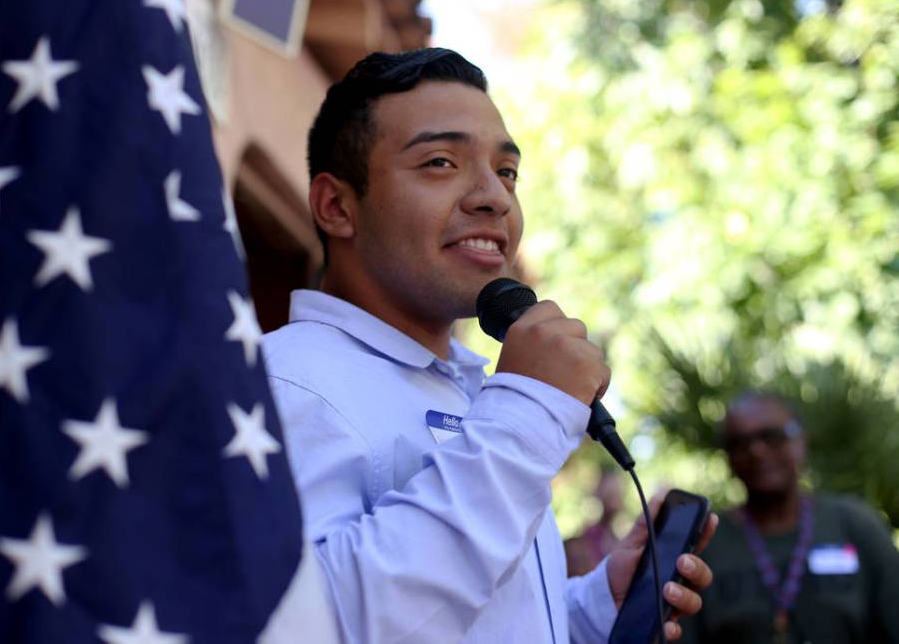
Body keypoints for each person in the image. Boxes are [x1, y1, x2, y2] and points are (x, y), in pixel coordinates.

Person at [262, 47, 717, 643]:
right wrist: (526, 416)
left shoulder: (475, 387)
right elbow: (312, 623)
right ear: (337, 206)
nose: (494, 197)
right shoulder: (280, 381)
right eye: (441, 162)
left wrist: (590, 609)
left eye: (507, 172)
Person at [678, 391, 899, 643]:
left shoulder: (856, 524)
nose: (757, 451)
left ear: (801, 439)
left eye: (771, 436)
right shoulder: (706, 541)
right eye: (739, 443)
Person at [565, 468, 625, 577]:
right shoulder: (589, 536)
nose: (614, 501)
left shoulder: (617, 538)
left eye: (617, 494)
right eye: (610, 494)